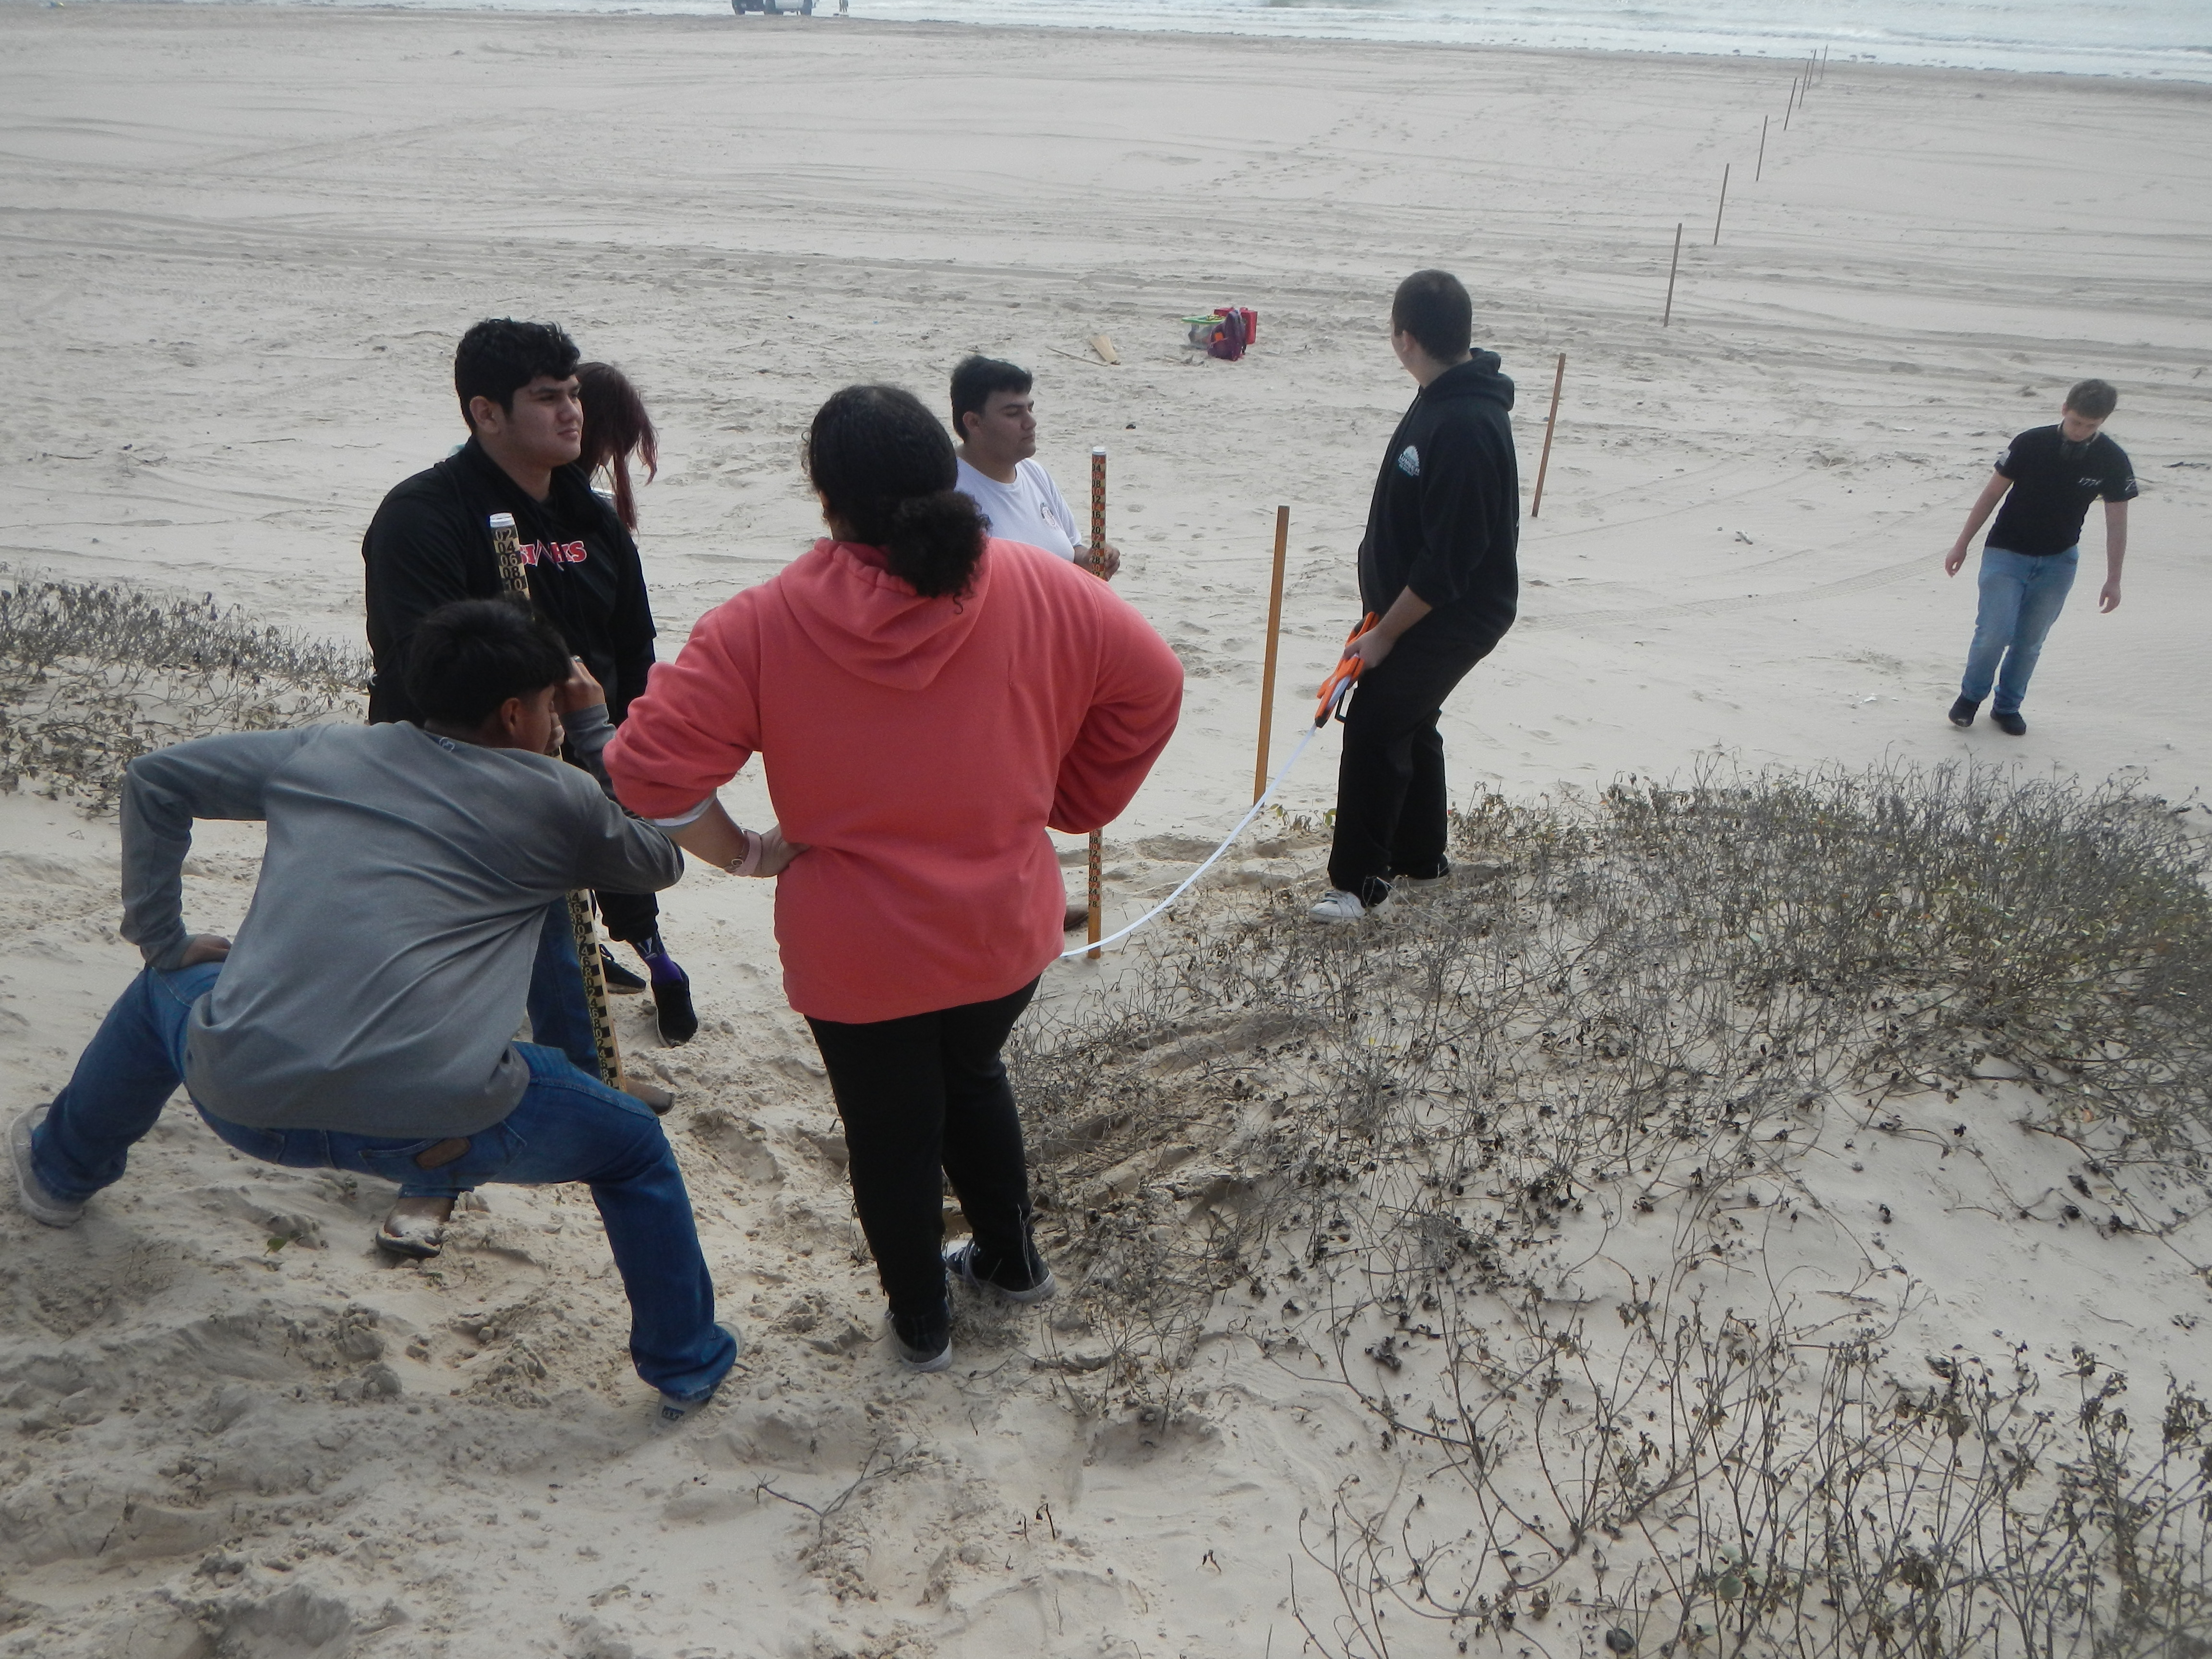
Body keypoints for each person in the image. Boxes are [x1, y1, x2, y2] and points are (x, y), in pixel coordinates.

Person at [8, 599, 742, 1422]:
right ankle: (684, 1369)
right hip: (441, 1127)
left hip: (248, 1103)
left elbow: (155, 779)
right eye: (545, 706)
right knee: (634, 1150)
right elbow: (657, 860)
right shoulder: (556, 796)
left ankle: (60, 1175)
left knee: (162, 993)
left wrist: (162, 936)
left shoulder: (324, 752)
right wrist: (596, 729)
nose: (549, 723)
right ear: (515, 712)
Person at [605, 384, 1182, 1374]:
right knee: (972, 1078)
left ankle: (922, 1323)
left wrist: (745, 851)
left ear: (826, 499)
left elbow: (644, 773)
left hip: (859, 952)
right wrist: (1071, 798)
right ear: (943, 469)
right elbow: (1153, 686)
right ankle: (1011, 1264)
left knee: (891, 1130)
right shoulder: (1041, 584)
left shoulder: (761, 623)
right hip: (1003, 933)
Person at [360, 321, 698, 1050]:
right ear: (487, 413)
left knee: (576, 913)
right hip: (455, 777)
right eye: (548, 398)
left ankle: (584, 1059)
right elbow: (417, 668)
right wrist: (533, 714)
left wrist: (629, 747)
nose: (572, 412)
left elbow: (633, 648)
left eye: (574, 394)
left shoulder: (592, 520)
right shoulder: (424, 516)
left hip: (582, 753)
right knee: (467, 950)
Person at [1311, 270, 1519, 924]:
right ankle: (1421, 856)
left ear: (1405, 339)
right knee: (1410, 716)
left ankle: (1358, 885)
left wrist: (1386, 634)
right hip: (1407, 607)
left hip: (1451, 613)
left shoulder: (1465, 421)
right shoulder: (1442, 392)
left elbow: (1448, 564)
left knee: (1374, 723)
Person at [569, 360, 695, 1033]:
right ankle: (658, 963)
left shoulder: (585, 515)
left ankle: (600, 953)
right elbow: (637, 637)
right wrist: (643, 726)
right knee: (616, 840)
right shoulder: (591, 518)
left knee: (574, 849)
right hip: (602, 709)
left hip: (562, 715)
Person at [1943, 380, 2134, 736]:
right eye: (2076, 421)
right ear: (2064, 410)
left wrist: (2114, 578)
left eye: (2091, 426)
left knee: (2030, 641)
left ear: (2104, 421)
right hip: (2006, 553)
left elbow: (2117, 524)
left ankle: (2008, 707)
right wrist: (1962, 544)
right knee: (1994, 633)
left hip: (2059, 561)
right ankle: (1970, 698)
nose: (2080, 431)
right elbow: (1991, 496)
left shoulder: (2112, 459)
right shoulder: (2030, 443)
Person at [950, 355, 1120, 580]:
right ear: (974, 423)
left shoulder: (1035, 473)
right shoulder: (949, 488)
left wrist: (1090, 560)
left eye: (1030, 409)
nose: (1030, 422)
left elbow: (1072, 552)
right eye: (1013, 413)